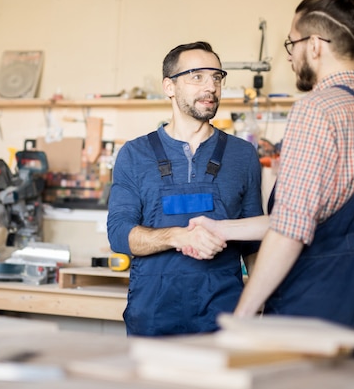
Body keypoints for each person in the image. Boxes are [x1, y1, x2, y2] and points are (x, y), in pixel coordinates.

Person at [187, 0, 354, 358]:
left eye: (291, 43)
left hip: (316, 300)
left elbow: (291, 232)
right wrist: (221, 227)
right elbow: (313, 214)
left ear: (315, 45)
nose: (289, 56)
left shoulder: (316, 110)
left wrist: (242, 314)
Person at [107, 41, 263, 337]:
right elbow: (118, 234)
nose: (211, 87)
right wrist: (179, 236)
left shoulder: (242, 155)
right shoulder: (135, 154)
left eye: (217, 77)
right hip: (153, 316)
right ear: (169, 87)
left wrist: (258, 308)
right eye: (197, 77)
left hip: (223, 319)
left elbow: (254, 242)